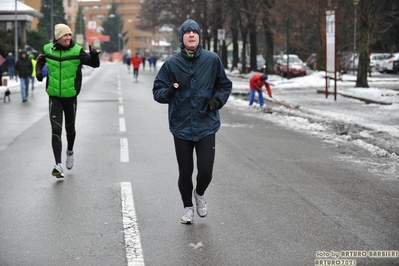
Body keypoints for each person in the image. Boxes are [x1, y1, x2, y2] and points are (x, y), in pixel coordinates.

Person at [153, 19, 232, 224]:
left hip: (206, 123)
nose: (191, 35)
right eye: (187, 32)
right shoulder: (171, 64)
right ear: (182, 38)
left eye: (194, 32)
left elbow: (224, 85)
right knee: (185, 171)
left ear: (199, 37)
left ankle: (199, 194)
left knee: (205, 170)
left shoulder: (212, 59)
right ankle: (187, 207)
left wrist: (216, 101)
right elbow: (157, 92)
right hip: (181, 126)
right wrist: (170, 91)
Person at [36, 23, 101, 178]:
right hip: (54, 97)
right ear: (58, 37)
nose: (68, 38)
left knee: (69, 128)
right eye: (65, 35)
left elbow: (94, 64)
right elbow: (40, 61)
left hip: (70, 98)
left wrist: (94, 55)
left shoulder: (77, 51)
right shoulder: (48, 49)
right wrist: (39, 73)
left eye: (70, 35)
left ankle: (70, 151)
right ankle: (58, 165)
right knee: (56, 130)